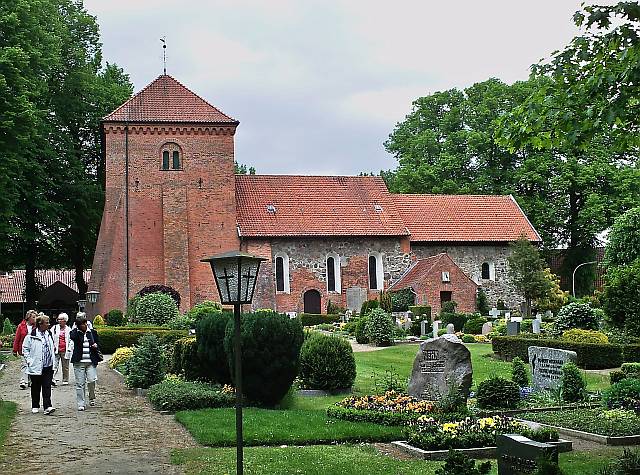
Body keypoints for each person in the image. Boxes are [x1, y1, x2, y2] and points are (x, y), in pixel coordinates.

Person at [22, 313, 56, 415]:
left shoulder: (48, 334)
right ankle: (35, 405)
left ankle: (47, 406)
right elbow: (25, 349)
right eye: (46, 323)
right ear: (40, 324)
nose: (48, 324)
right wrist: (29, 361)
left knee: (47, 386)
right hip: (36, 365)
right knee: (36, 386)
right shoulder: (30, 337)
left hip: (48, 365)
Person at [69, 314, 100, 411]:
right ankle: (81, 403)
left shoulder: (92, 333)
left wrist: (96, 345)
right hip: (79, 362)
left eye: (84, 324)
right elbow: (72, 336)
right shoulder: (75, 333)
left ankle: (91, 397)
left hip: (90, 361)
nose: (84, 326)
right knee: (80, 383)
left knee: (91, 380)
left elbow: (98, 344)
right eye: (81, 324)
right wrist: (76, 328)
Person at [13, 310, 37, 389]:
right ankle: (23, 381)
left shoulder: (36, 326)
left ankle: (30, 381)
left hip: (33, 349)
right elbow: (17, 338)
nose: (35, 319)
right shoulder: (21, 326)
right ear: (28, 317)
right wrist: (15, 350)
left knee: (31, 365)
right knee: (24, 364)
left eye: (35, 317)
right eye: (33, 317)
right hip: (23, 349)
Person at [51, 313, 71, 386]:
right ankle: (52, 379)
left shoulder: (69, 329)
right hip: (56, 350)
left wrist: (69, 349)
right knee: (54, 365)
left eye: (61, 319)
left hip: (65, 350)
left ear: (65, 321)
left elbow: (70, 340)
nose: (59, 321)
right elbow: (50, 337)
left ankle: (65, 379)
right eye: (58, 319)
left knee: (65, 366)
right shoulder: (54, 328)